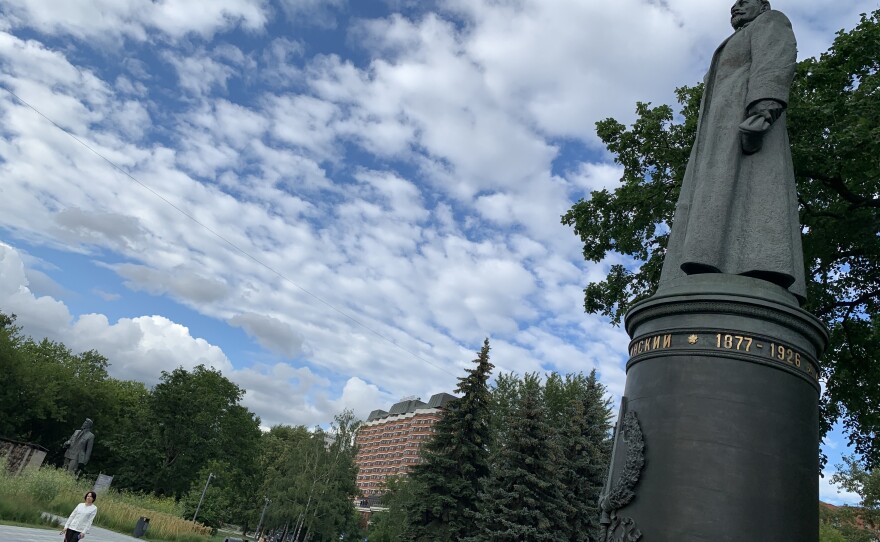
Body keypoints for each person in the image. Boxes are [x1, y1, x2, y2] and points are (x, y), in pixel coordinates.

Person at [658, 0, 806, 301]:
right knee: (715, 194)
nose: (735, 7)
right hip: (718, 132)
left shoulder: (771, 21)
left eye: (744, 2)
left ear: (762, 7)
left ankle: (758, 264)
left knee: (753, 195)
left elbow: (776, 59)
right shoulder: (735, 38)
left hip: (746, 122)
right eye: (733, 4)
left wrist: (764, 108)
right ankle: (707, 259)